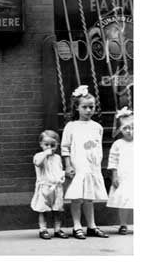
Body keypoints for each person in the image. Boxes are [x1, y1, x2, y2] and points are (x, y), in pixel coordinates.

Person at [61, 85, 109, 239]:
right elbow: (65, 147)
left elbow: (97, 147)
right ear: (77, 108)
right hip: (78, 166)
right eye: (85, 107)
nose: (89, 110)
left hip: (92, 167)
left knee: (89, 197)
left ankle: (91, 226)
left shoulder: (97, 127)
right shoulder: (71, 126)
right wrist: (68, 165)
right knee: (77, 197)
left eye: (91, 107)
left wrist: (97, 165)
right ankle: (77, 226)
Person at [30, 130, 68, 239]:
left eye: (53, 145)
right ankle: (43, 229)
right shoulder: (39, 156)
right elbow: (37, 163)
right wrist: (45, 154)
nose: (49, 147)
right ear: (41, 144)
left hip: (56, 187)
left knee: (57, 210)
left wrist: (65, 173)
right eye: (46, 145)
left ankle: (57, 229)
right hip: (44, 187)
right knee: (43, 209)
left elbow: (58, 171)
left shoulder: (57, 158)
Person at [107, 107, 133, 234]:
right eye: (125, 128)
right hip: (124, 176)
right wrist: (114, 176)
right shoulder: (118, 144)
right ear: (120, 129)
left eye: (132, 127)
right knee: (124, 201)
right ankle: (123, 224)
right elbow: (113, 161)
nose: (129, 131)